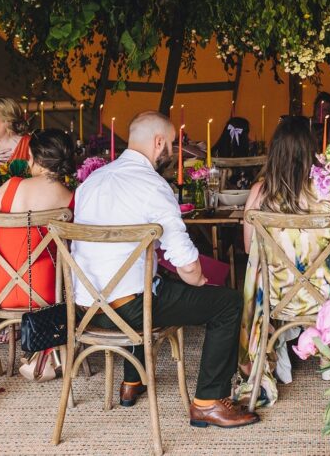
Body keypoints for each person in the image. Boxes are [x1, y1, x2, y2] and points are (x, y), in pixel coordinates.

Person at [72, 111, 257, 428]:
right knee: (227, 303)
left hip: (85, 307)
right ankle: (208, 402)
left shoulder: (92, 181)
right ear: (159, 143)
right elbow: (187, 265)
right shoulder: (152, 186)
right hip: (131, 310)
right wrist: (199, 280)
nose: (172, 150)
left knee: (144, 280)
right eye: (172, 143)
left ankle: (132, 381)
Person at [238, 116, 330, 405]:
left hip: (276, 296)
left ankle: (271, 345)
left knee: (253, 270)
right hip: (323, 296)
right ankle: (329, 355)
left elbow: (248, 248)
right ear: (311, 152)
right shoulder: (328, 193)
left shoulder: (261, 193)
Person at [0, 129, 75, 310]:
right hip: (48, 290)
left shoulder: (12, 186)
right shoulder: (70, 198)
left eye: (29, 157)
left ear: (37, 160)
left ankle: (5, 332)